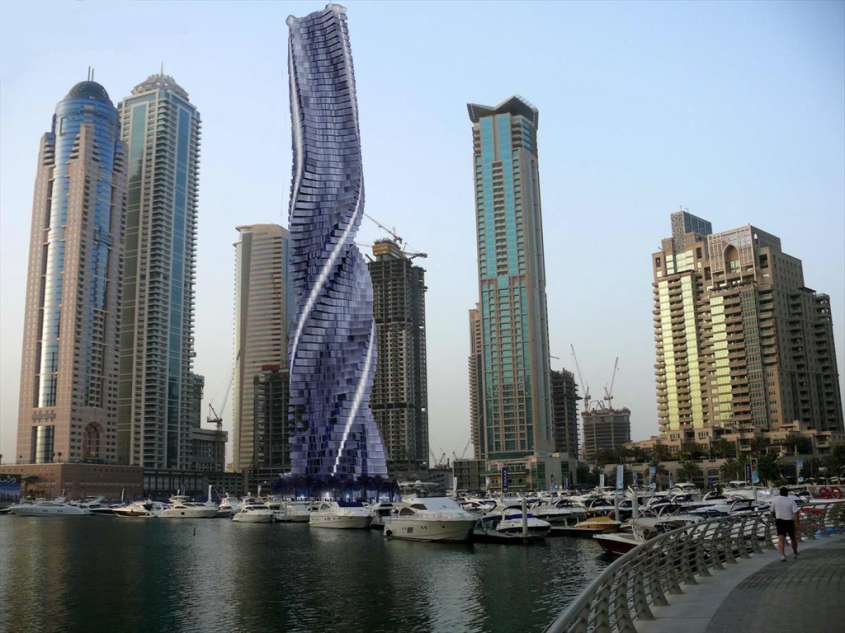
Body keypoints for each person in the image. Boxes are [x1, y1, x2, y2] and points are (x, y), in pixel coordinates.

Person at [770, 486, 800, 561]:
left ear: (780, 493)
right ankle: (795, 552)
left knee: (781, 539)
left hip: (780, 521)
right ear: (787, 493)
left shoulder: (775, 500)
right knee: (793, 538)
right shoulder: (791, 501)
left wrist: (775, 517)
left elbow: (772, 511)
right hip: (789, 521)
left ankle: (782, 555)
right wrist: (797, 523)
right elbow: (796, 512)